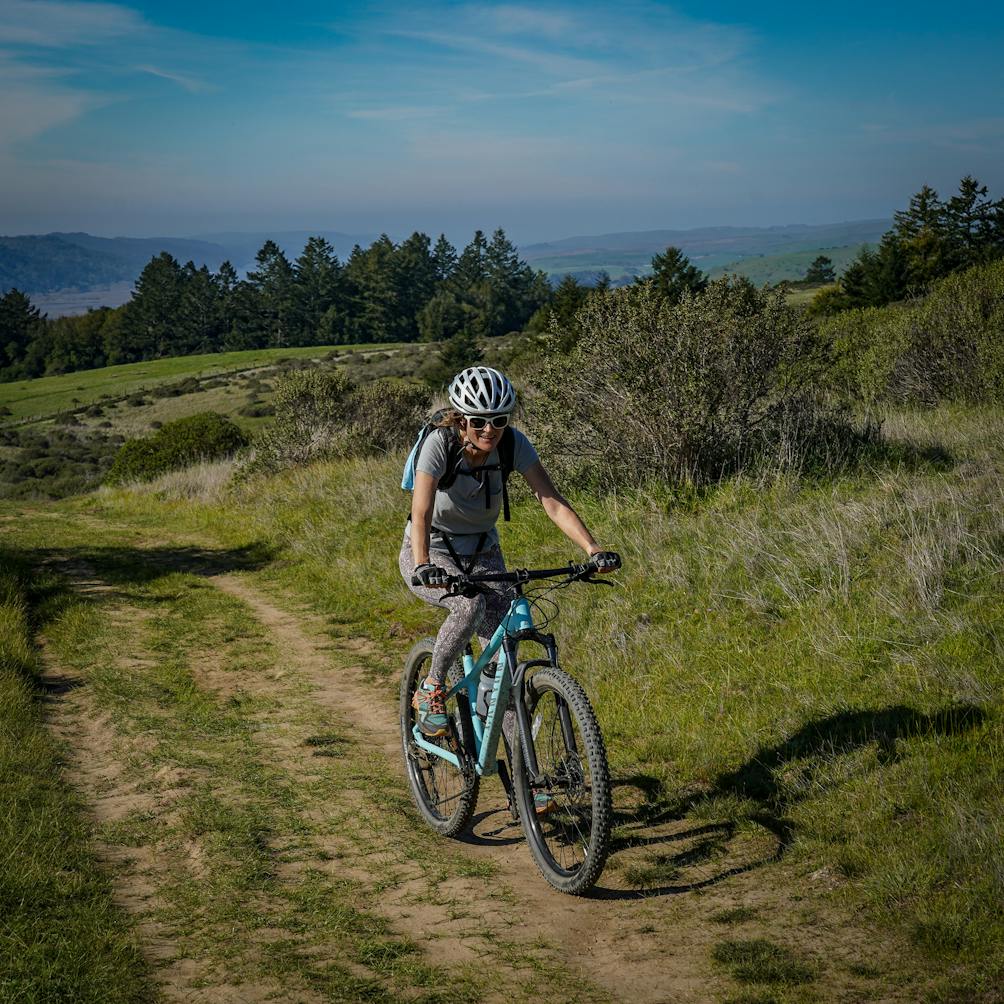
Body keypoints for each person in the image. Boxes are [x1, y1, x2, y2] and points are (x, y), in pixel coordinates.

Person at [399, 365, 620, 744]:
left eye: (498, 420)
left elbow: (551, 501)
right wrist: (423, 565)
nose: (490, 430)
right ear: (461, 419)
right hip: (431, 548)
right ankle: (432, 688)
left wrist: (593, 548)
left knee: (506, 660)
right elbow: (420, 512)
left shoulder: (513, 444)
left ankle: (530, 784)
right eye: (479, 421)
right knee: (467, 608)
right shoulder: (440, 444)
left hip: (484, 550)